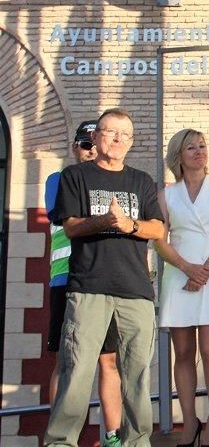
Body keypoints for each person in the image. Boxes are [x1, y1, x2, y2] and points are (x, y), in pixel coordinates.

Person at [45, 108, 165, 446]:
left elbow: (157, 227)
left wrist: (130, 225)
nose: (117, 139)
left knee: (137, 377)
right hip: (88, 288)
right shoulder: (75, 176)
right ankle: (60, 442)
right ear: (96, 137)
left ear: (131, 142)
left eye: (124, 134)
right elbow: (70, 226)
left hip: (136, 290)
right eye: (110, 132)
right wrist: (104, 222)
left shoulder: (141, 181)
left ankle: (136, 441)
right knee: (77, 371)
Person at [154, 129, 209, 447]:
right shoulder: (166, 195)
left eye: (203, 146)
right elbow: (159, 240)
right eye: (191, 147)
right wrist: (187, 268)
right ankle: (190, 422)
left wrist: (203, 271)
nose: (199, 151)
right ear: (178, 155)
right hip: (178, 275)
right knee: (184, 352)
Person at [44, 120, 123, 447]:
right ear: (74, 148)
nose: (90, 150)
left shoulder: (115, 182)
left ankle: (113, 437)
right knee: (67, 360)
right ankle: (59, 437)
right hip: (67, 278)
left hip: (105, 280)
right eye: (84, 144)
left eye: (95, 143)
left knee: (108, 360)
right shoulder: (58, 180)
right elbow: (63, 214)